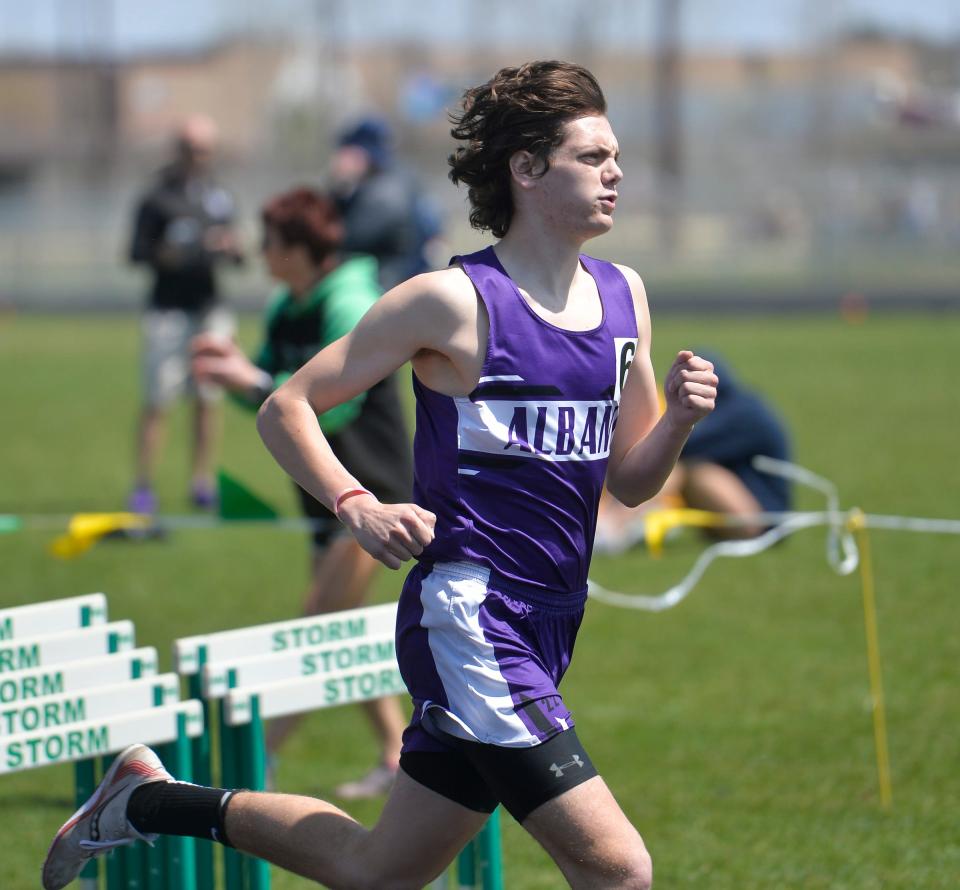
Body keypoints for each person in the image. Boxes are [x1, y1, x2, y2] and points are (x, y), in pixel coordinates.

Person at [43, 60, 718, 890]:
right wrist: (355, 502)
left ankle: (150, 802)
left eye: (616, 155)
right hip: (471, 619)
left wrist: (680, 420)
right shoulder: (450, 301)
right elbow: (286, 406)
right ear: (527, 170)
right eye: (593, 156)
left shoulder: (626, 298)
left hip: (554, 621)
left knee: (379, 871)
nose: (616, 172)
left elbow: (637, 481)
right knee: (618, 869)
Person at [190, 186, 413, 799]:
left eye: (270, 242)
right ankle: (397, 756)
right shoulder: (288, 304)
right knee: (340, 631)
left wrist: (252, 375)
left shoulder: (350, 300)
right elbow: (273, 405)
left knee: (319, 624)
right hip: (326, 496)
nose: (261, 253)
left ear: (299, 247)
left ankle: (258, 757)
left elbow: (336, 410)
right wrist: (231, 371)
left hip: (375, 492)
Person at [127, 113, 244, 514]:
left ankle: (202, 481)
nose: (199, 157)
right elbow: (136, 252)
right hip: (168, 311)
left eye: (206, 150)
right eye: (192, 149)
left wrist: (231, 248)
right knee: (158, 398)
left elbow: (237, 251)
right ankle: (143, 484)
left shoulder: (219, 195)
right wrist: (173, 253)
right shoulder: (157, 196)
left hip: (210, 308)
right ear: (178, 150)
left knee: (209, 399)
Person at [594, 352, 793, 551]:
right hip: (751, 511)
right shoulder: (742, 405)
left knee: (686, 470)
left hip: (762, 520)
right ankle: (631, 518)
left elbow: (684, 445)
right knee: (675, 465)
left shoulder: (741, 413)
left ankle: (615, 525)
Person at [331, 115, 443, 290]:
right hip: (399, 280)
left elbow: (345, 240)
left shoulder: (386, 191)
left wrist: (340, 187)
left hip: (388, 285)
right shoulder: (394, 177)